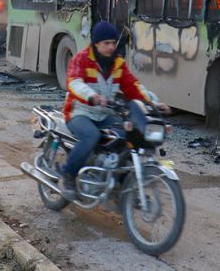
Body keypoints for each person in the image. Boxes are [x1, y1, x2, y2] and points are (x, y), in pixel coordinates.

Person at [58, 21, 170, 200]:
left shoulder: (118, 63)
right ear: (96, 43)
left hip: (105, 114)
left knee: (128, 135)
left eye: (113, 43)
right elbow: (74, 83)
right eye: (106, 43)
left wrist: (154, 103)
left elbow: (133, 87)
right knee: (91, 136)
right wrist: (92, 96)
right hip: (79, 112)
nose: (111, 47)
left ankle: (122, 183)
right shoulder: (82, 58)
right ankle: (68, 176)